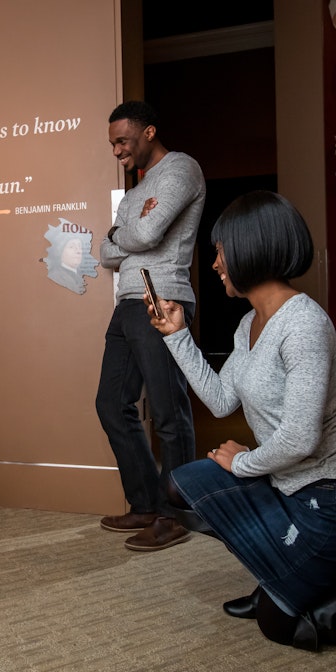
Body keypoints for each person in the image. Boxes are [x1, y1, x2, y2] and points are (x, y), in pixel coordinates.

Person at [150, 191, 336, 650]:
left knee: (279, 626)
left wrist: (244, 463)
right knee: (182, 487)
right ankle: (276, 571)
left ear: (253, 247)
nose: (215, 263)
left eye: (221, 250)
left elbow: (301, 438)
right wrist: (177, 336)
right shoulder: (249, 322)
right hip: (280, 481)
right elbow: (220, 401)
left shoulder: (304, 325)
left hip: (322, 496)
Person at [95, 100, 205, 551]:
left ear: (149, 132)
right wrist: (127, 233)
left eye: (122, 141)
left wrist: (125, 233)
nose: (117, 151)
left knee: (167, 410)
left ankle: (175, 513)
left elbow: (145, 235)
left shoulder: (181, 170)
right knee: (110, 404)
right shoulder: (136, 192)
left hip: (162, 298)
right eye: (112, 144)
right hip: (127, 302)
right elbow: (106, 253)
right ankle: (145, 503)